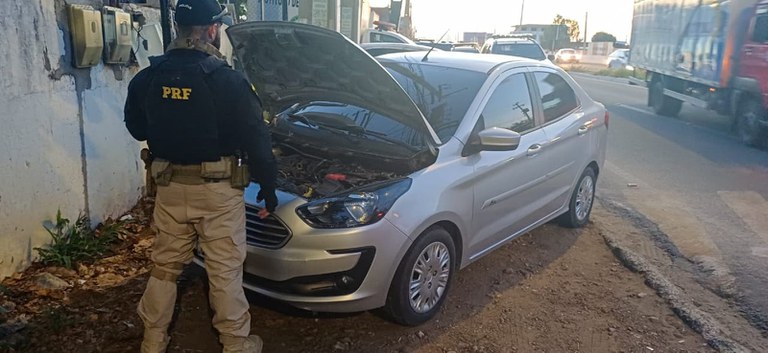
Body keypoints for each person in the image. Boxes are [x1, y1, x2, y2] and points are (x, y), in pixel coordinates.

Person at [123, 0, 278, 352]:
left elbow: (136, 128)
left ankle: (152, 341)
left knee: (164, 268)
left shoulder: (148, 77)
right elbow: (259, 142)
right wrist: (268, 191)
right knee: (224, 271)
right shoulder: (229, 81)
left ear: (177, 29)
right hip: (219, 194)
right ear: (212, 30)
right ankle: (236, 344)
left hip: (170, 189)